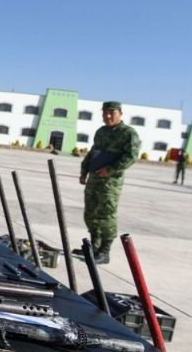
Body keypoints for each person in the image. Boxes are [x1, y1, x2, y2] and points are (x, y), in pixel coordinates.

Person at [73, 101, 140, 265]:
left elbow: (131, 156)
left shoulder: (128, 133)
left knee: (106, 215)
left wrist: (110, 170)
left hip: (110, 183)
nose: (108, 116)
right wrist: (84, 171)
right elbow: (93, 152)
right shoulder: (101, 132)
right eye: (105, 113)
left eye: (112, 113)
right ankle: (93, 247)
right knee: (90, 213)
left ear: (120, 114)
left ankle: (104, 251)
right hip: (94, 179)